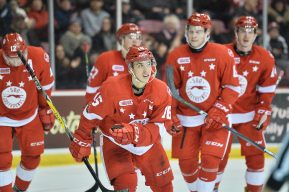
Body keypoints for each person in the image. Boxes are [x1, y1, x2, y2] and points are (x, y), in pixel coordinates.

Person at [69, 46, 176, 191]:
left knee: (165, 186)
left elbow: (160, 127)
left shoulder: (162, 90)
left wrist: (134, 132)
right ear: (130, 68)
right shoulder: (112, 87)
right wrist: (82, 137)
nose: (146, 71)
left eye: (148, 64)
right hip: (116, 143)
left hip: (148, 145)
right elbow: (91, 114)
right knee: (126, 185)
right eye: (140, 65)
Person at [164, 12, 240, 192]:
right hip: (186, 121)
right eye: (191, 31)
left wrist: (219, 109)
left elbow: (232, 87)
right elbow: (170, 92)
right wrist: (171, 116)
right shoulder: (175, 55)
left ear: (207, 33)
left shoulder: (223, 53)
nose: (193, 35)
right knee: (187, 164)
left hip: (215, 119)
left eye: (198, 32)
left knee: (210, 158)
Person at [215, 16, 278, 192]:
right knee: (216, 157)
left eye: (250, 32)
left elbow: (267, 88)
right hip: (223, 113)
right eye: (242, 31)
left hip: (248, 115)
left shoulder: (265, 57)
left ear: (256, 34)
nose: (246, 36)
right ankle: (211, 188)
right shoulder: (221, 53)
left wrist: (264, 108)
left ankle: (254, 190)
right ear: (236, 33)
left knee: (256, 156)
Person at [0, 33, 55, 192]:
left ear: (25, 50)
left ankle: (19, 189)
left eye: (20, 56)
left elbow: (45, 86)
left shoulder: (38, 56)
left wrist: (45, 108)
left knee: (33, 157)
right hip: (1, 118)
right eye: (11, 58)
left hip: (29, 115)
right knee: (1, 160)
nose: (16, 61)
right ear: (3, 52)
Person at [85, 23, 142, 103]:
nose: (135, 40)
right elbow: (91, 90)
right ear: (121, 39)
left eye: (138, 37)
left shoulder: (146, 62)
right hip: (109, 111)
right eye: (131, 36)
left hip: (134, 113)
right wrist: (94, 112)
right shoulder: (106, 58)